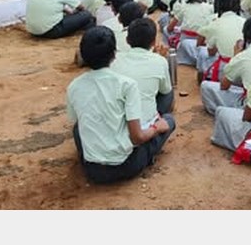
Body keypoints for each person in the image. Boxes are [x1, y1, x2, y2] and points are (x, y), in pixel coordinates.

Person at [66, 26, 175, 184]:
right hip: (126, 165)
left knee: (78, 128)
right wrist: (157, 127)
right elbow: (137, 137)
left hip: (92, 169)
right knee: (169, 121)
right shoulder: (127, 85)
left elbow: (76, 121)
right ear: (114, 54)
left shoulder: (74, 86)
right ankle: (147, 155)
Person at [200, 15, 251, 115]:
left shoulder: (242, 56)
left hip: (250, 109)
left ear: (245, 34)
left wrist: (235, 57)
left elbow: (224, 85)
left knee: (206, 87)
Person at [111, 18, 174, 125]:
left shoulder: (115, 59)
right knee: (168, 96)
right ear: (154, 42)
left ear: (127, 40)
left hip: (117, 123)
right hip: (144, 130)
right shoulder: (160, 61)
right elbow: (165, 90)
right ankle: (158, 117)